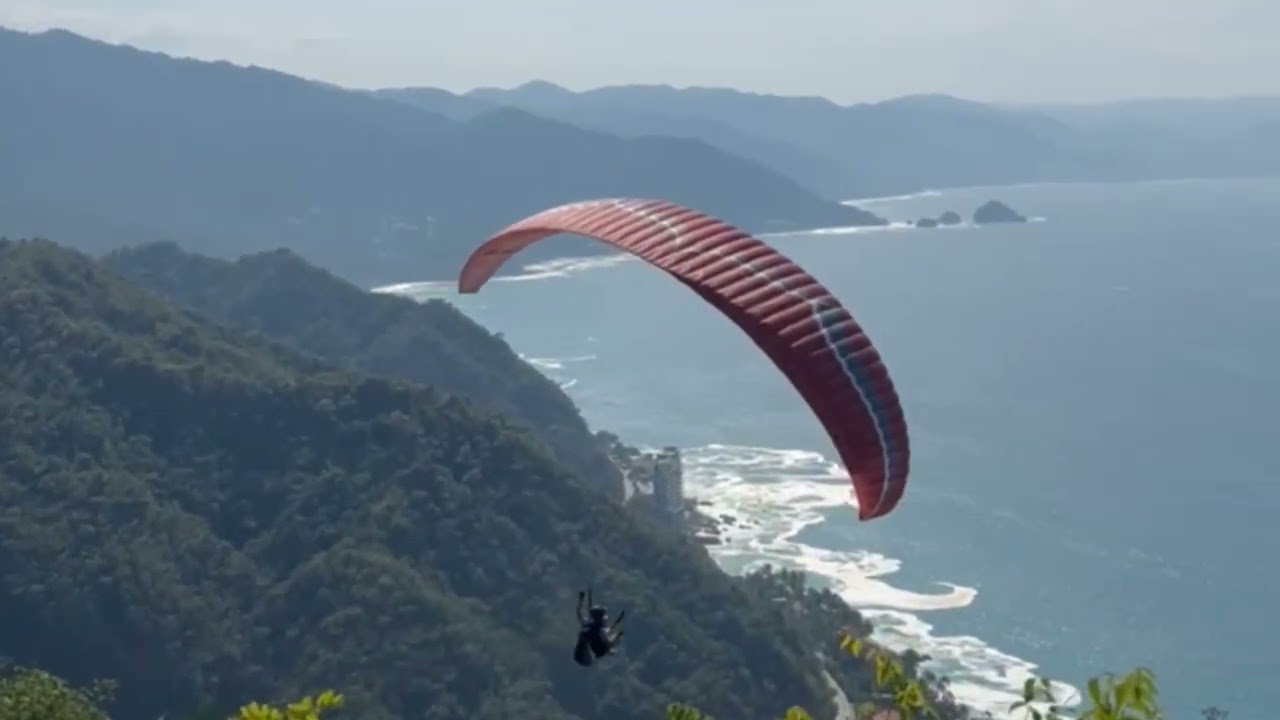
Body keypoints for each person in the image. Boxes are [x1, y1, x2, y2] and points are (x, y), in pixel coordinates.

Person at [573, 589, 625, 666]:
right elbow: (610, 643)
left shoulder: (587, 624)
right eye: (604, 615)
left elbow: (579, 612)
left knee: (605, 639)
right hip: (587, 659)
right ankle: (607, 651)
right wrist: (618, 635)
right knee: (608, 644)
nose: (606, 617)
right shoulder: (601, 631)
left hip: (578, 656)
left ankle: (606, 650)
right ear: (600, 617)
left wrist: (581, 600)